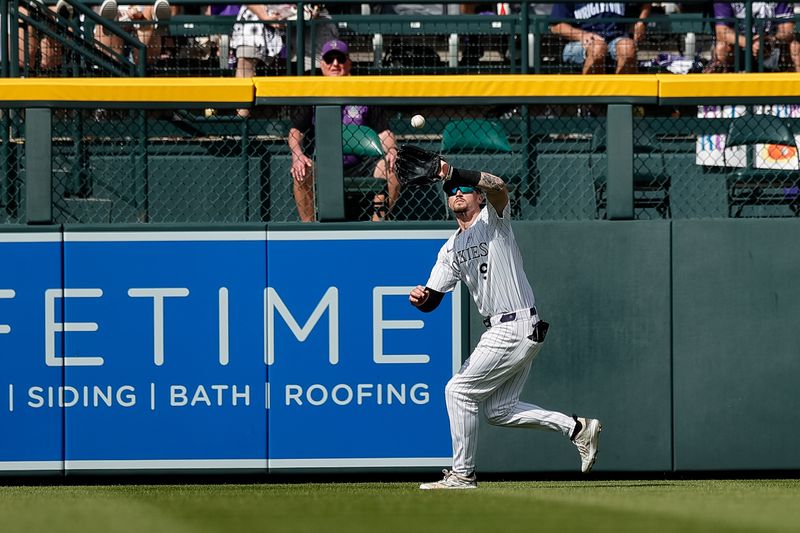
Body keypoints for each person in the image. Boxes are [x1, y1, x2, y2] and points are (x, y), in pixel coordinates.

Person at [407, 158, 601, 489]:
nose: (457, 193)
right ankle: (576, 428)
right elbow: (433, 300)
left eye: (464, 189)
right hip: (510, 328)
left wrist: (452, 172)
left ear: (477, 197)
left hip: (514, 324)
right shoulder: (450, 247)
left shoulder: (494, 221)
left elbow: (498, 185)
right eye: (451, 190)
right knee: (499, 410)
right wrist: (421, 298)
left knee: (458, 391)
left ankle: (462, 474)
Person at [288, 39, 400, 222]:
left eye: (340, 59)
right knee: (302, 169)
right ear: (322, 65)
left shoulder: (364, 93)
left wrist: (393, 150)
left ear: (349, 63)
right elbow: (295, 132)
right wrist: (297, 155)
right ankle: (308, 227)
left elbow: (384, 132)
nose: (335, 64)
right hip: (322, 163)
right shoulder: (312, 94)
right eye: (329, 60)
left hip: (362, 164)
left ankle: (377, 224)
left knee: (395, 168)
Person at [549, 2, 652, 74]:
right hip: (579, 44)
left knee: (628, 48)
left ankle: (621, 102)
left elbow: (646, 3)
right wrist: (582, 35)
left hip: (614, 41)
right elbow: (556, 26)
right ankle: (590, 104)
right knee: (598, 48)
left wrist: (641, 21)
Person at [710, 2, 800, 72]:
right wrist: (750, 43)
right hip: (738, 50)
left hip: (770, 48)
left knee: (795, 46)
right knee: (721, 48)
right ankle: (718, 90)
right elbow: (721, 32)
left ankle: (794, 89)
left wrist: (769, 40)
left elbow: (788, 29)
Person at [96, 0, 176, 63]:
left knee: (150, 10)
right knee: (109, 15)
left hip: (142, 52)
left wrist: (139, 18)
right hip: (114, 49)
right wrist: (122, 20)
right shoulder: (111, 4)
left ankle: (158, 22)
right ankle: (112, 22)